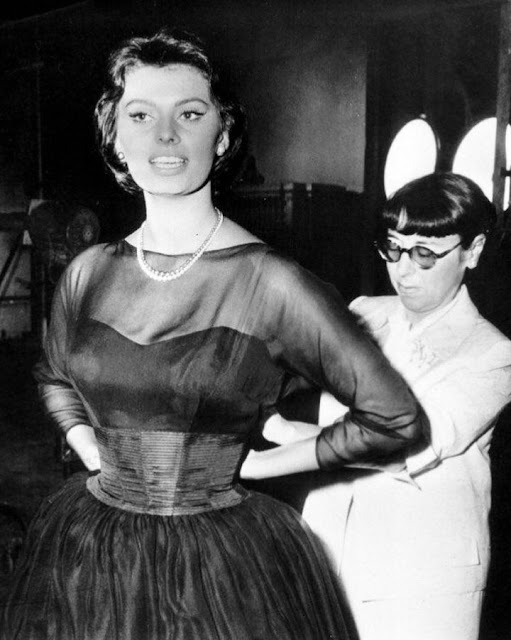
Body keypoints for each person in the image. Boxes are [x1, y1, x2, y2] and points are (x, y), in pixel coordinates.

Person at [0, 29, 426, 640]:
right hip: (90, 551)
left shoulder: (273, 282)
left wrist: (260, 465)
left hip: (214, 570)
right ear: (115, 138)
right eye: (140, 115)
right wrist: (91, 448)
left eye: (190, 114)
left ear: (222, 136)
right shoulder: (88, 272)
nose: (165, 136)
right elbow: (53, 375)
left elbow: (394, 418)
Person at [265, 173, 511, 640]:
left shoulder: (493, 354)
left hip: (419, 579)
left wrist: (275, 440)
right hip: (327, 556)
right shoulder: (365, 313)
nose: (404, 271)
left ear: (473, 250)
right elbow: (278, 371)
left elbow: (401, 444)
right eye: (394, 249)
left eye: (425, 255)